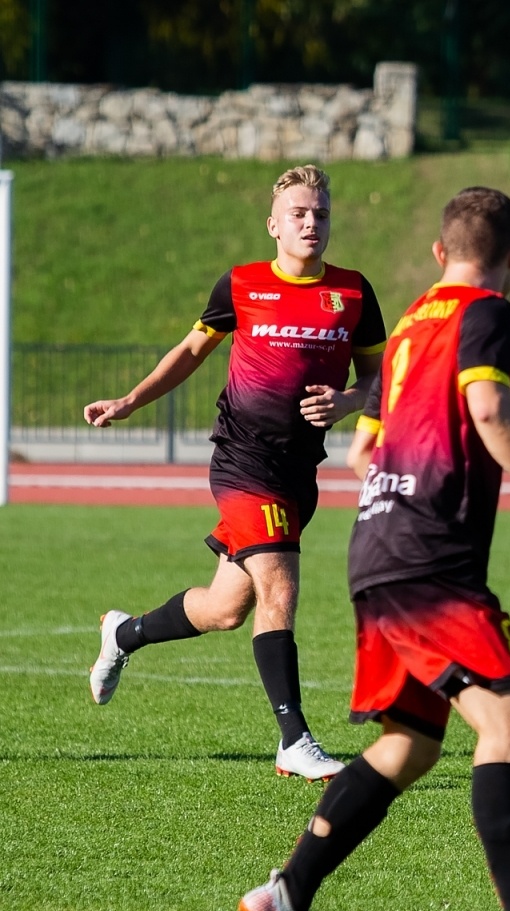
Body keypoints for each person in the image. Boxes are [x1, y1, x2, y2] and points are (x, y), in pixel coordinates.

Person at [238, 187, 510, 911]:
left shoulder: (413, 323)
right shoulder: (488, 311)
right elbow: (488, 407)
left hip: (376, 551)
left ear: (439, 254)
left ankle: (287, 894)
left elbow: (357, 454)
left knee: (407, 746)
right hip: (428, 562)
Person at [83, 164, 385, 781]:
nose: (311, 222)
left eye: (321, 213)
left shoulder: (353, 292)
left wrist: (351, 402)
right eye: (299, 213)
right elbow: (192, 351)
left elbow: (383, 379)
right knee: (281, 587)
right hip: (244, 462)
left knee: (227, 608)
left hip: (300, 469)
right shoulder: (242, 285)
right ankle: (293, 739)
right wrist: (130, 401)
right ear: (273, 225)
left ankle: (125, 633)